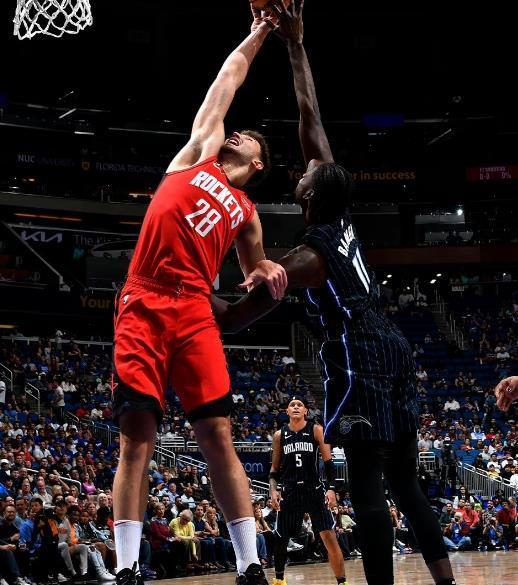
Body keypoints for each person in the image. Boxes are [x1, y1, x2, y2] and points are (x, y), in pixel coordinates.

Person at [213, 2, 456, 585]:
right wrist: (296, 46)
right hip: (393, 346)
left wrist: (190, 289)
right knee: (407, 485)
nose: (300, 172)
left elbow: (236, 317)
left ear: (311, 195)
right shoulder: (339, 209)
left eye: (304, 176)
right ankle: (445, 580)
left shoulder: (309, 257)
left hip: (360, 350)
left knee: (367, 487)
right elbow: (310, 116)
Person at [111, 7, 287, 585]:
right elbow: (227, 79)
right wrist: (260, 32)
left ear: (257, 163)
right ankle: (128, 566)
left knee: (217, 436)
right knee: (137, 437)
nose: (236, 132)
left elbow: (254, 274)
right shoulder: (196, 155)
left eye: (248, 137)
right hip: (143, 300)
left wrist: (268, 272)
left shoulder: (248, 213)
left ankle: (250, 563)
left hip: (194, 310)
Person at [269, 396, 347, 585]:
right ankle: (279, 580)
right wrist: (273, 490)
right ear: (287, 411)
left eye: (300, 405)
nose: (296, 407)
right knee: (281, 538)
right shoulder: (279, 435)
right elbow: (274, 469)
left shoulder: (316, 429)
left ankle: (342, 582)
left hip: (314, 490)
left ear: (305, 411)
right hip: (290, 491)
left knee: (329, 537)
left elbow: (329, 463)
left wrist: (331, 489)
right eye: (292, 405)